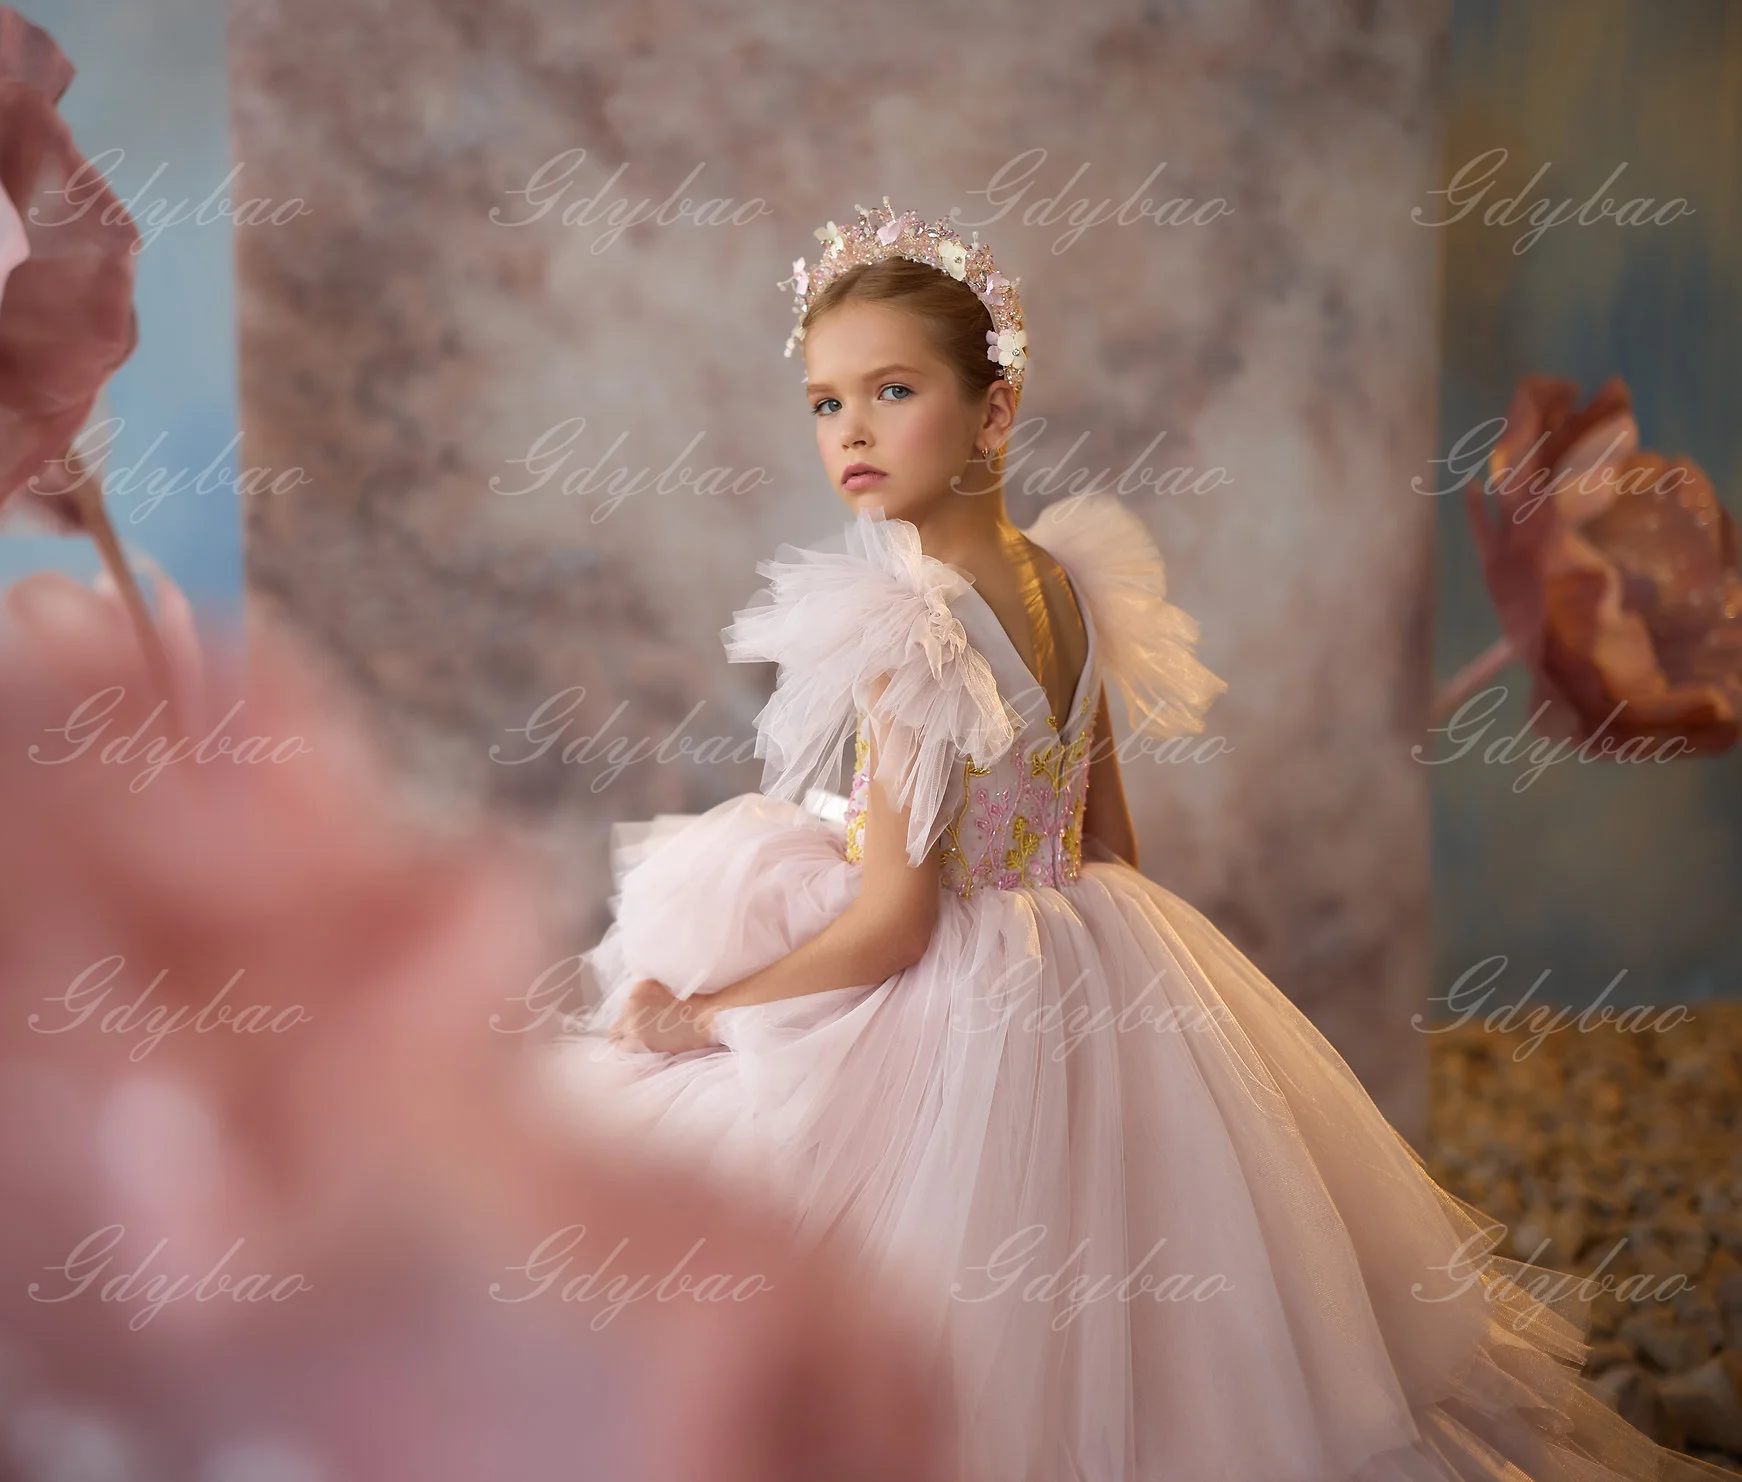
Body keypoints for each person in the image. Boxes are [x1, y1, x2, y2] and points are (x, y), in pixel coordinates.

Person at [548, 200, 1733, 1481]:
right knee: (1141, 1296)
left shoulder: (906, 628)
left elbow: (892, 924)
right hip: (1093, 946)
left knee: (766, 1196)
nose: (850, 432)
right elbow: (1102, 838)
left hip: (949, 981)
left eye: (892, 390)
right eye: (825, 402)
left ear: (992, 410)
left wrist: (711, 1010)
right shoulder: (1063, 580)